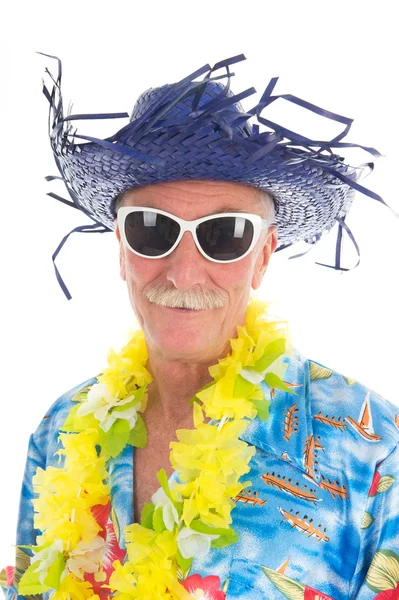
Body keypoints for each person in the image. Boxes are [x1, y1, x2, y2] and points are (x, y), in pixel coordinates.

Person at [1, 54, 398, 600]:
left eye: (225, 234)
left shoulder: (373, 449)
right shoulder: (60, 433)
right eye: (151, 228)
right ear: (121, 249)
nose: (184, 271)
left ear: (262, 256)